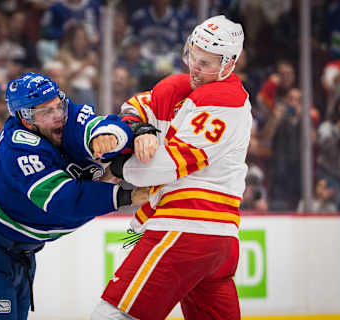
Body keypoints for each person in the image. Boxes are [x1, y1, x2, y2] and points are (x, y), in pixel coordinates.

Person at [0, 72, 150, 319]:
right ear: (26, 119)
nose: (58, 116)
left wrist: (118, 134)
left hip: (21, 252)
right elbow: (63, 200)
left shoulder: (68, 116)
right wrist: (125, 196)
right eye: (45, 112)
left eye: (58, 106)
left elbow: (99, 125)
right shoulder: (17, 149)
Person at [91, 15, 252, 320]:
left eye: (206, 62)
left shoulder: (224, 103)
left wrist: (121, 166)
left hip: (187, 227)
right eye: (193, 55)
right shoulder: (185, 90)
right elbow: (135, 109)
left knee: (112, 315)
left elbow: (168, 166)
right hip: (218, 242)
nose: (195, 66)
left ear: (229, 64)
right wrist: (140, 130)